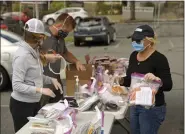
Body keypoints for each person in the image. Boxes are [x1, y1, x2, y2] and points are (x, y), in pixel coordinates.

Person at [9, 18, 62, 133]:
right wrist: (40, 90)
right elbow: (17, 85)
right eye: (43, 36)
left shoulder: (34, 51)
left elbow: (35, 76)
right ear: (37, 38)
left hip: (34, 103)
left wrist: (51, 79)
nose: (44, 39)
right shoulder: (22, 56)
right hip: (21, 106)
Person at [120, 25, 173, 134]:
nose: (134, 42)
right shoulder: (133, 56)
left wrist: (157, 79)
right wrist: (120, 80)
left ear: (149, 41)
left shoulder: (159, 59)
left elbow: (168, 85)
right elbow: (131, 80)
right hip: (135, 104)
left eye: (138, 40)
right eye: (133, 40)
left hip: (152, 109)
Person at [40, 13, 86, 106]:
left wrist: (76, 61)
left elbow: (65, 53)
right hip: (43, 84)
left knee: (58, 108)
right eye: (66, 31)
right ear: (59, 25)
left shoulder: (60, 39)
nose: (66, 34)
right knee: (39, 111)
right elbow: (30, 57)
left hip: (57, 83)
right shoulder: (42, 36)